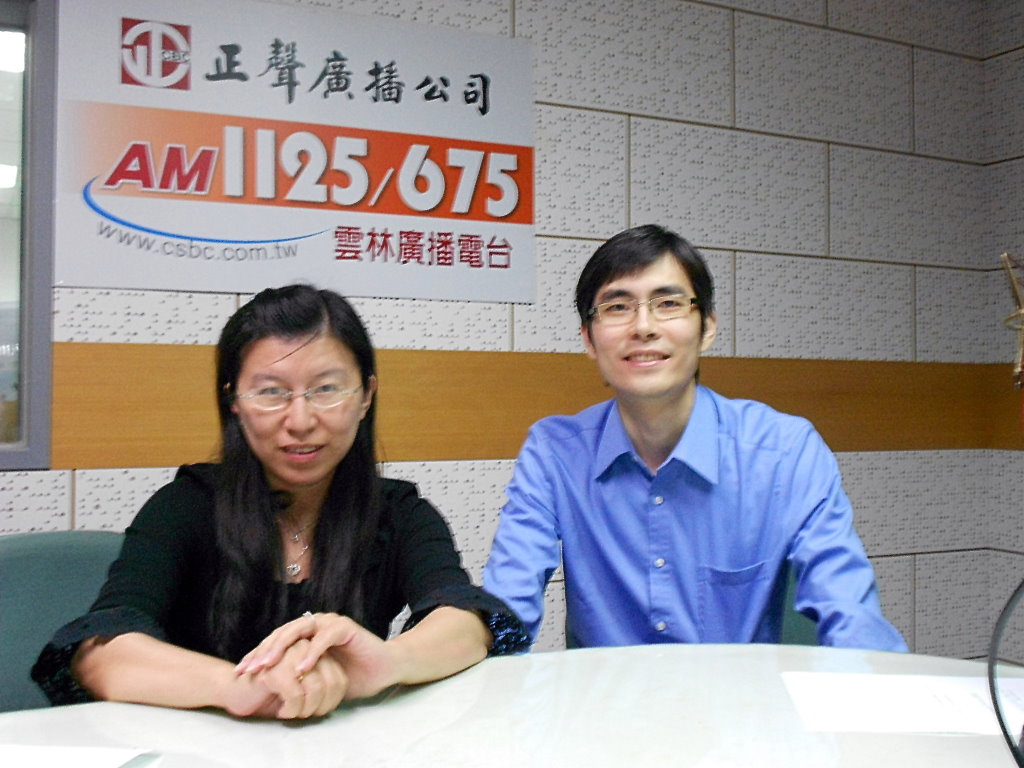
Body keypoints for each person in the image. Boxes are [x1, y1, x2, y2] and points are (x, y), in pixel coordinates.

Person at [33, 285, 528, 719]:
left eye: (326, 389)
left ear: (366, 395)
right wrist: (243, 687)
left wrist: (384, 663)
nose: (300, 421)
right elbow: (100, 654)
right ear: (233, 401)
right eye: (271, 392)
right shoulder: (185, 506)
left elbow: (467, 623)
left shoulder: (398, 513)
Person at [483, 224, 907, 652]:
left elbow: (850, 614)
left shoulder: (784, 451)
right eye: (617, 307)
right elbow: (506, 610)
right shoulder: (555, 453)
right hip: (604, 697)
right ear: (588, 340)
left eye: (668, 303)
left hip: (740, 696)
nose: (643, 326)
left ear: (707, 328)